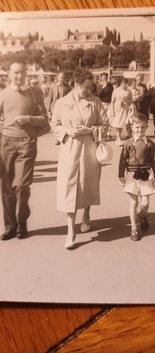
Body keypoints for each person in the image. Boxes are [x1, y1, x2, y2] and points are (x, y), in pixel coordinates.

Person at [51, 69, 108, 249]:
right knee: (69, 186)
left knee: (87, 184)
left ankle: (86, 214)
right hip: (69, 149)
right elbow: (54, 124)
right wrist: (68, 131)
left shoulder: (96, 102)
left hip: (89, 149)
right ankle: (70, 231)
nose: (89, 90)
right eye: (85, 87)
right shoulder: (62, 103)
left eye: (91, 87)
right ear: (75, 85)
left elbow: (105, 125)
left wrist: (90, 130)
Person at [0, 61, 50, 240]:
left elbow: (45, 120)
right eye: (15, 73)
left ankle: (22, 222)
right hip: (6, 143)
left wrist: (28, 119)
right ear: (9, 74)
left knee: (21, 185)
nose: (19, 76)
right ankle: (9, 226)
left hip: (27, 143)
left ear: (26, 73)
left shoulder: (35, 94)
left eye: (22, 72)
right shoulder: (3, 94)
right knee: (6, 187)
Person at [118, 113, 155, 241]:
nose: (139, 130)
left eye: (142, 127)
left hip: (146, 175)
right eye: (137, 127)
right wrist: (121, 175)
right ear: (132, 127)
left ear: (146, 127)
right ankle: (134, 229)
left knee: (145, 203)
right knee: (134, 202)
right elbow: (122, 160)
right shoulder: (128, 143)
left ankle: (143, 216)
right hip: (131, 175)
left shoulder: (150, 144)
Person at [110, 78, 132, 145]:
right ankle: (118, 138)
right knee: (118, 124)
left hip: (125, 109)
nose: (124, 85)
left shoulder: (128, 91)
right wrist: (113, 111)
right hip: (117, 108)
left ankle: (118, 138)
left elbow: (130, 101)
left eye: (125, 83)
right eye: (123, 83)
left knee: (122, 124)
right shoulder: (116, 91)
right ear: (120, 83)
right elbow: (112, 101)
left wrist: (127, 104)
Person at [98, 72, 113, 140]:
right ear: (101, 78)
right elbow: (98, 95)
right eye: (103, 78)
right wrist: (103, 88)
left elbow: (112, 94)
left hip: (109, 103)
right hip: (102, 103)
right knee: (102, 119)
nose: (105, 79)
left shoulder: (110, 86)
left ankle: (108, 134)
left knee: (109, 118)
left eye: (106, 78)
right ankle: (102, 134)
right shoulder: (99, 85)